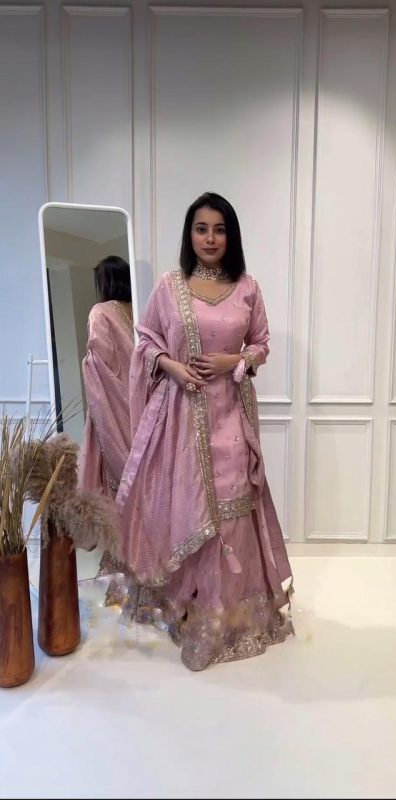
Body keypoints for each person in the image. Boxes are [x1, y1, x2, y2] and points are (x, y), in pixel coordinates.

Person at [115, 193, 293, 671]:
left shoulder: (247, 287)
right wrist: (172, 367)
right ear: (189, 234)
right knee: (190, 504)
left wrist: (233, 359)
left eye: (219, 229)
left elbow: (261, 344)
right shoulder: (169, 286)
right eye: (201, 228)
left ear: (230, 235)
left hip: (231, 415)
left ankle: (232, 614)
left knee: (232, 505)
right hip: (181, 418)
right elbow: (146, 339)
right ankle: (193, 611)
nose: (210, 238)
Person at [79, 254, 134, 509]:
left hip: (111, 402)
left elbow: (101, 361)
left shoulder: (100, 312)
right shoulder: (138, 310)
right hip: (139, 403)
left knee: (114, 476)